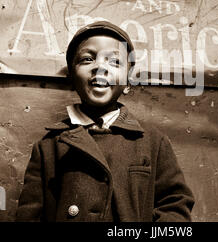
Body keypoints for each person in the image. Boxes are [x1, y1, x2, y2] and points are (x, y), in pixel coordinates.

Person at [16, 21, 195, 222]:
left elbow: (175, 207)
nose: (100, 67)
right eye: (87, 59)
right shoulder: (48, 147)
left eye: (115, 62)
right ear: (72, 77)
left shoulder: (153, 142)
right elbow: (29, 216)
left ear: (127, 83)